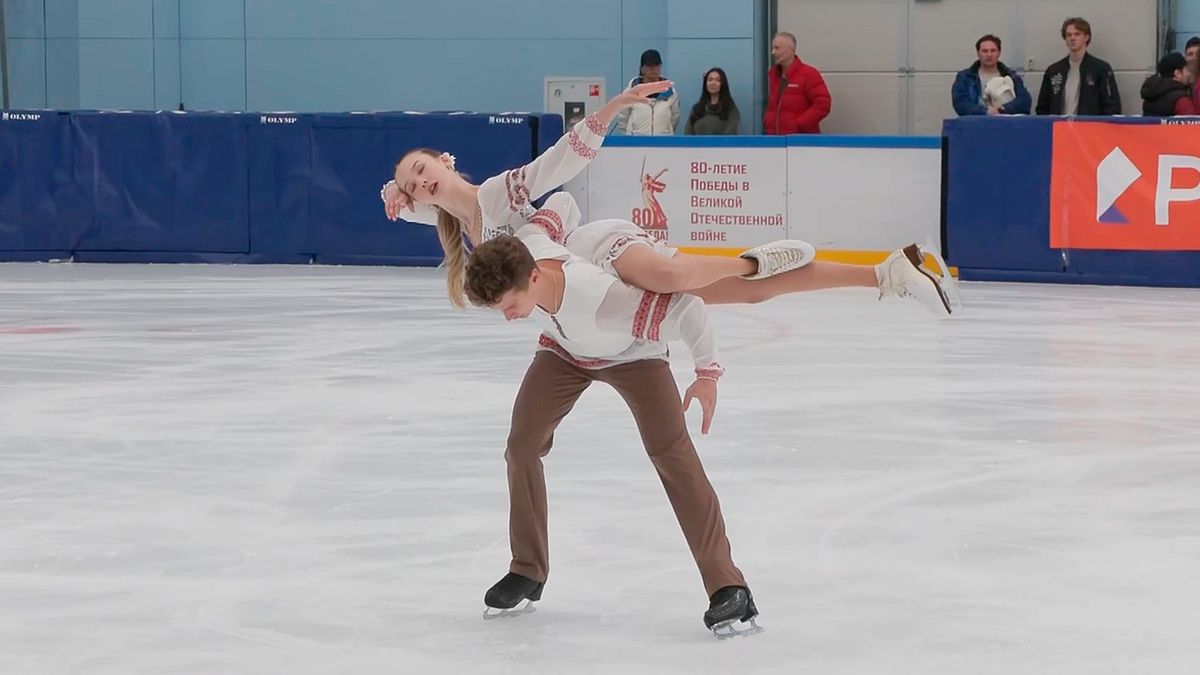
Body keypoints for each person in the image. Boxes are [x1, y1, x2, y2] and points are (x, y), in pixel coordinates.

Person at [380, 86, 957, 317]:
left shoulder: (494, 194)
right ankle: (890, 271)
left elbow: (557, 162)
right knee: (752, 297)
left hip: (597, 252)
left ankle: (751, 259)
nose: (421, 183)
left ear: (446, 161)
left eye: (423, 170)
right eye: (413, 181)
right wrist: (396, 196)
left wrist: (611, 109)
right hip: (589, 286)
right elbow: (424, 210)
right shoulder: (462, 222)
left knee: (677, 274)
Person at [465, 232, 760, 639]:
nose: (509, 317)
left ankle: (728, 586)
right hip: (564, 352)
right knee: (522, 447)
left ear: (534, 277)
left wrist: (707, 374)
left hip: (633, 355)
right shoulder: (529, 246)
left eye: (511, 306)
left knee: (671, 454)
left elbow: (689, 308)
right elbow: (546, 211)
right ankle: (527, 570)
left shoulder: (605, 302)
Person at [1035, 17, 1121, 116]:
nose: (1072, 38)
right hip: (1059, 125)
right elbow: (1042, 108)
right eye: (1069, 35)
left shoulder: (1101, 69)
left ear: (1086, 37)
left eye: (1077, 34)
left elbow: (1112, 107)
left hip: (1088, 125)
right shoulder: (1053, 71)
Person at [763, 31, 831, 135]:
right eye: (773, 48)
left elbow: (823, 105)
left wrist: (799, 124)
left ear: (791, 50)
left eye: (777, 48)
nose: (773, 52)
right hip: (775, 139)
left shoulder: (809, 74)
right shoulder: (774, 75)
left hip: (801, 139)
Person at [951, 34, 1032, 116]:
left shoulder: (1012, 76)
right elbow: (960, 103)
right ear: (978, 53)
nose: (989, 55)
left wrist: (1002, 110)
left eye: (993, 50)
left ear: (999, 53)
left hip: (1005, 122)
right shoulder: (965, 77)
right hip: (975, 122)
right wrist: (985, 112)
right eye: (985, 51)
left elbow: (1024, 102)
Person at [616, 49, 680, 135]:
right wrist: (631, 137)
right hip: (636, 141)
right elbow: (623, 120)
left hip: (662, 141)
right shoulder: (630, 93)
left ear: (660, 67)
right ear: (642, 68)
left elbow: (674, 119)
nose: (653, 68)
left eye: (656, 65)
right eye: (649, 65)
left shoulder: (671, 93)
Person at [685, 68, 741, 135]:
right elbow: (688, 133)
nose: (713, 83)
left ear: (723, 84)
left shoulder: (730, 109)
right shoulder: (697, 109)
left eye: (717, 80)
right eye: (710, 80)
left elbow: (731, 134)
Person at [1141, 52, 1197, 117]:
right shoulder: (1181, 100)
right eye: (1187, 70)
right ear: (1178, 73)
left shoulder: (1151, 94)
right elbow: (1190, 121)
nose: (1189, 74)